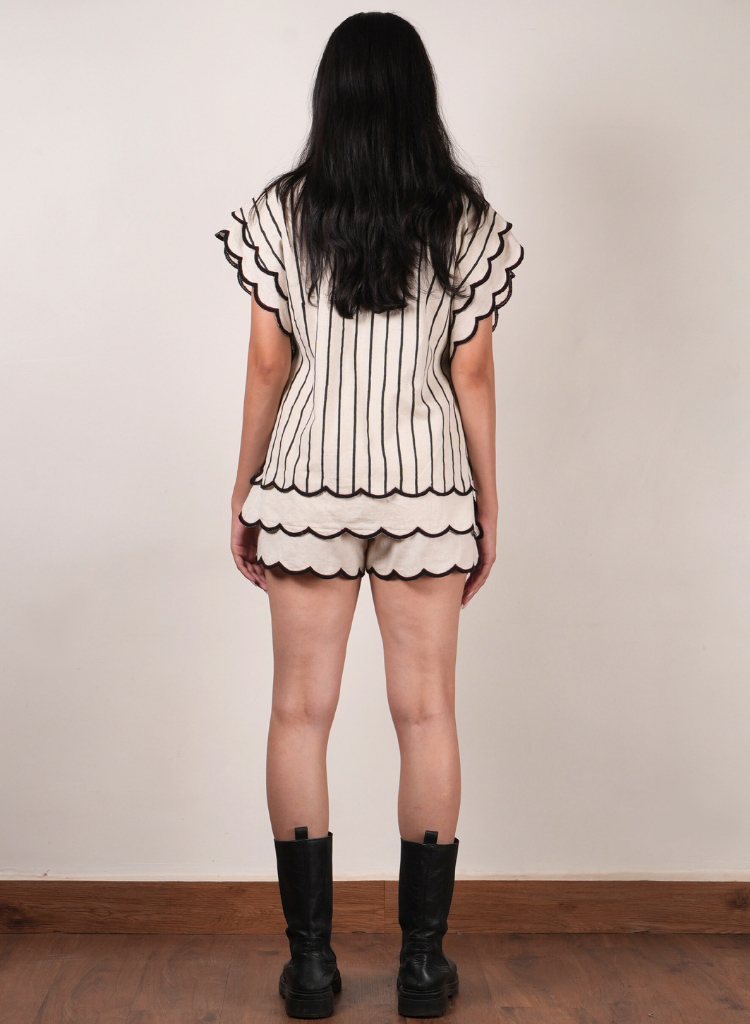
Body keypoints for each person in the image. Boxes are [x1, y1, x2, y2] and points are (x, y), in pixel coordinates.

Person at [215, 12, 524, 1019]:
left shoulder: (282, 211)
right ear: (418, 98)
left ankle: (311, 968)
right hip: (428, 488)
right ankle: (422, 967)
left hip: (305, 483)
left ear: (331, 98)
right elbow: (472, 373)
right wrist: (487, 502)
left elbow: (268, 363)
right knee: (426, 713)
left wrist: (244, 487)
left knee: (298, 714)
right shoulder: (464, 218)